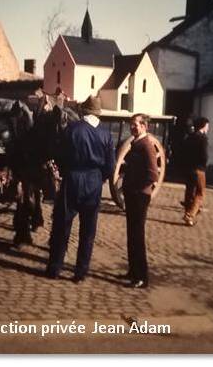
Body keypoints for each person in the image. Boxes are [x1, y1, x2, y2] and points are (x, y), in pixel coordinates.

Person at [46, 95, 115, 282]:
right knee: (88, 230)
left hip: (73, 178)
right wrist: (100, 178)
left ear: (83, 111)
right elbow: (110, 166)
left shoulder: (72, 129)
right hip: (94, 181)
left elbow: (59, 155)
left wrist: (66, 169)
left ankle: (55, 267)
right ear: (98, 114)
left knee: (62, 225)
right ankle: (80, 272)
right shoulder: (106, 134)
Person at [122, 114, 159, 289]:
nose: (133, 127)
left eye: (136, 125)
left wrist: (137, 189)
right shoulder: (136, 143)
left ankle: (142, 277)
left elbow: (153, 175)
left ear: (145, 126)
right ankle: (132, 271)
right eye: (131, 125)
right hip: (132, 194)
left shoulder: (147, 146)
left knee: (138, 237)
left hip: (139, 196)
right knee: (131, 235)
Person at [182, 116, 209, 226]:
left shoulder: (189, 137)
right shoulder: (203, 138)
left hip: (189, 168)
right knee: (200, 193)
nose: (208, 128)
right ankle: (189, 215)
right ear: (203, 126)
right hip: (199, 169)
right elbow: (204, 155)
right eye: (207, 126)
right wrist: (204, 164)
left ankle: (188, 212)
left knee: (189, 192)